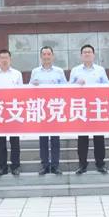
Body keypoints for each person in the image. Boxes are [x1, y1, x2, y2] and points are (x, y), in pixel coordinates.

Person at [69, 43, 109, 174]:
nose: (87, 54)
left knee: (99, 138)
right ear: (81, 55)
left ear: (93, 55)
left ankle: (100, 164)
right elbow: (68, 89)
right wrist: (76, 85)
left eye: (89, 52)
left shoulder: (100, 70)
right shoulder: (75, 70)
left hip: (96, 108)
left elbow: (108, 88)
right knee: (82, 138)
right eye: (84, 52)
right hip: (81, 108)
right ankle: (82, 164)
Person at [30, 45, 67, 175]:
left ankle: (55, 165)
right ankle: (45, 165)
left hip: (55, 109)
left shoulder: (59, 71)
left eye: (48, 54)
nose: (46, 57)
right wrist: (32, 86)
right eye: (44, 54)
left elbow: (66, 89)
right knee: (43, 140)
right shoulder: (35, 72)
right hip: (41, 110)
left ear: (52, 56)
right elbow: (29, 90)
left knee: (55, 140)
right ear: (41, 56)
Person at [0, 48, 23, 176]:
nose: (4, 60)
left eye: (6, 58)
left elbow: (21, 93)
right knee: (1, 142)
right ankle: (2, 166)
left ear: (10, 59)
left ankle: (15, 166)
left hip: (14, 111)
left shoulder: (17, 74)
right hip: (0, 112)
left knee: (15, 141)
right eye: (2, 58)